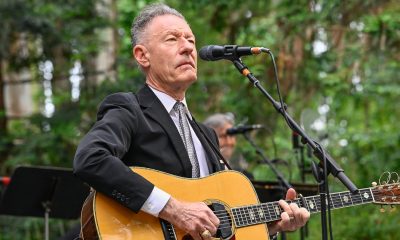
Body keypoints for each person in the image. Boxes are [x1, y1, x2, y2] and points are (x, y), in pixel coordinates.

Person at [73, 3, 310, 240]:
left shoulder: (207, 135)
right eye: (172, 39)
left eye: (191, 40)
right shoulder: (129, 109)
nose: (187, 47)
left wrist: (269, 228)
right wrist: (173, 209)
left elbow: (217, 226)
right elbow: (90, 159)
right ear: (142, 55)